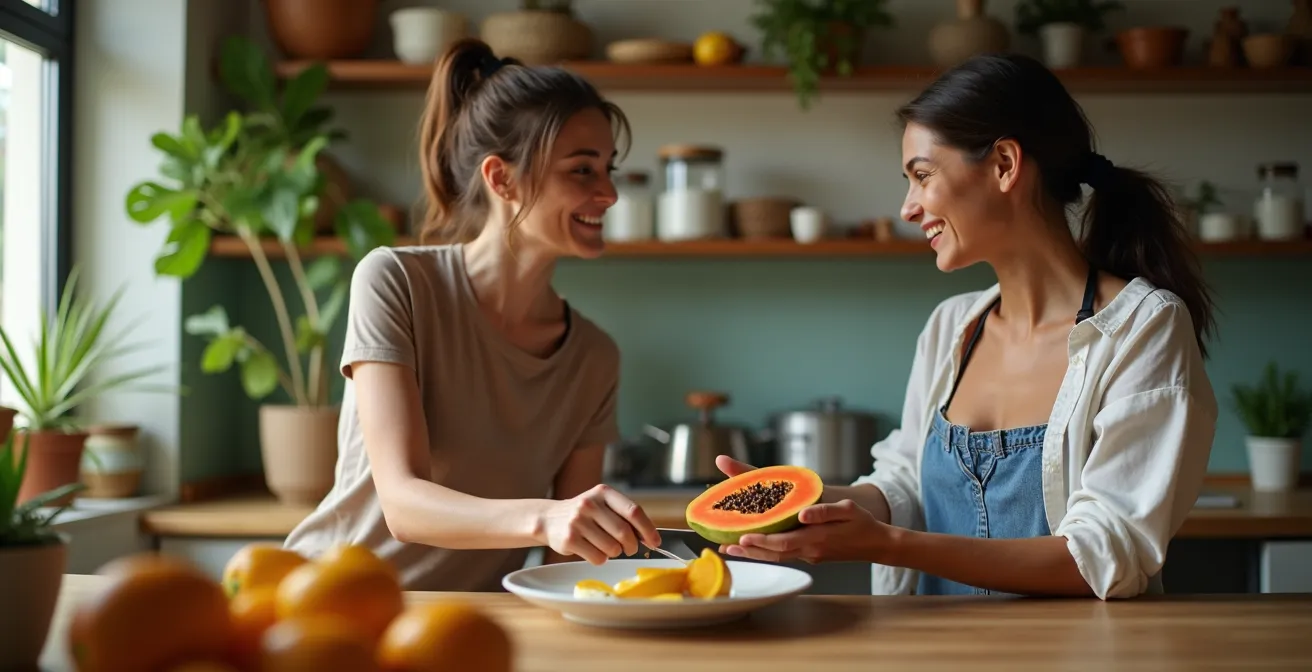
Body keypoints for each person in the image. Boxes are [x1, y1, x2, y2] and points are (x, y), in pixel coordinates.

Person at [713, 53, 1218, 600]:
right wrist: (803, 505)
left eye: (922, 176)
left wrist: (887, 544)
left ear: (1004, 164)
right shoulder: (953, 326)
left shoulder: (1143, 328)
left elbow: (1101, 556)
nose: (908, 208)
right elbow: (905, 483)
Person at [282, 38, 662, 592]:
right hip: (326, 602)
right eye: (582, 170)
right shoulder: (396, 281)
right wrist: (547, 518)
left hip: (465, 625)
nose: (607, 194)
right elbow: (404, 506)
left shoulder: (594, 357)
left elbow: (574, 561)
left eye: (609, 168)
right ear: (501, 178)